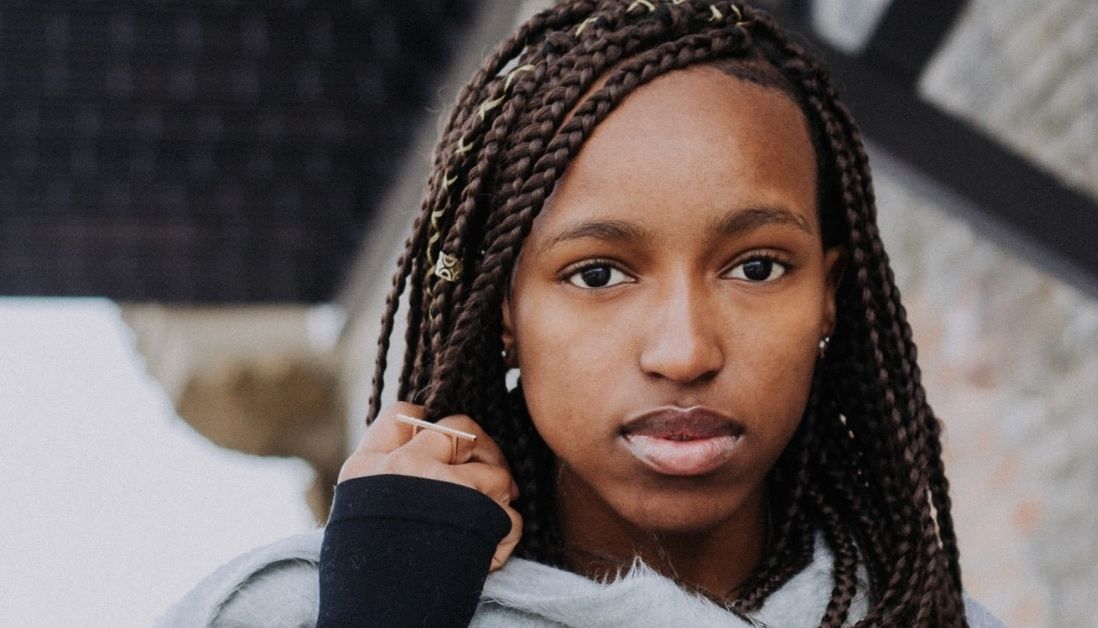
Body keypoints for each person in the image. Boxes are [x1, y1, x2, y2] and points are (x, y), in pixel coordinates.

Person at [159, 1, 1004, 626]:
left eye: (755, 266)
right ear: (502, 312)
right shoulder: (286, 612)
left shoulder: (925, 616)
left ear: (829, 295)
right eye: (598, 273)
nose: (684, 350)